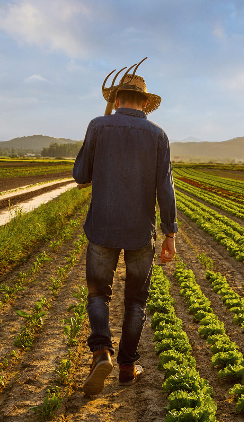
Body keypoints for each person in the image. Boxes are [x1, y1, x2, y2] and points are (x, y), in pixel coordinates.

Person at [73, 59, 177, 396]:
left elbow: (80, 175)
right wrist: (170, 234)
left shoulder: (98, 126)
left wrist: (92, 139)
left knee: (97, 293)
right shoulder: (158, 135)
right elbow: (166, 188)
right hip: (140, 233)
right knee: (136, 302)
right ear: (145, 103)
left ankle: (101, 351)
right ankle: (127, 366)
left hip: (102, 227)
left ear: (116, 100)